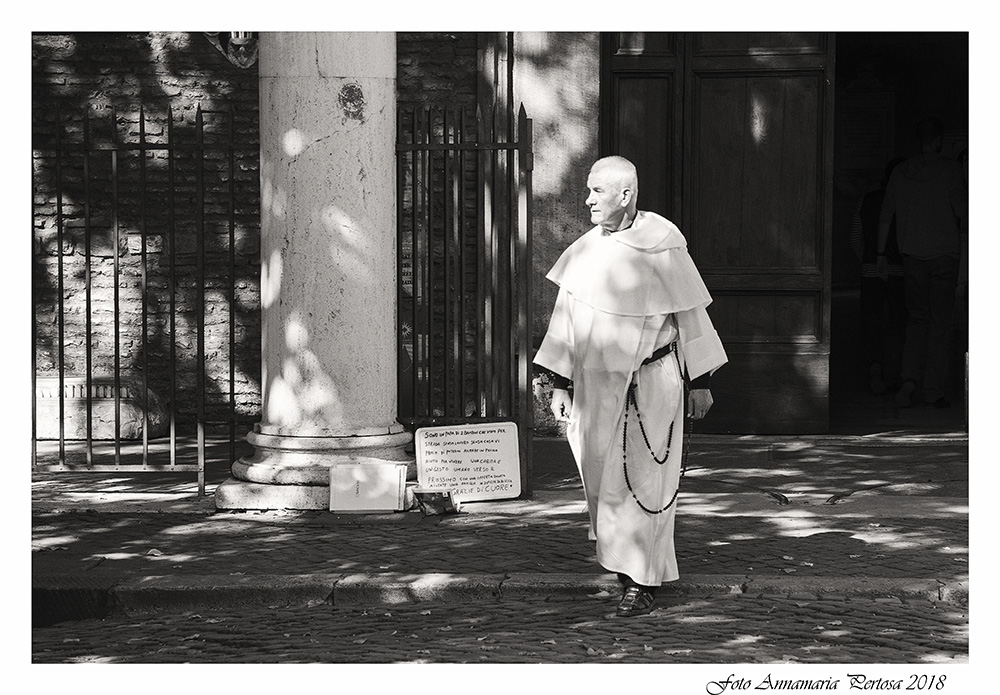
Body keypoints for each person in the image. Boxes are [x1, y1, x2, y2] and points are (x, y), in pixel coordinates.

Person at [533, 156, 727, 617]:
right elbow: (565, 322)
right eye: (588, 190)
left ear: (625, 194)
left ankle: (640, 579)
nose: (587, 200)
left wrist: (699, 381)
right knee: (603, 479)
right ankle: (624, 564)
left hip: (651, 384)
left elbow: (692, 317)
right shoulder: (584, 251)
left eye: (596, 191)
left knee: (645, 481)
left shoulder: (663, 243)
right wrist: (557, 382)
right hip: (595, 387)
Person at [877, 118, 967, 409]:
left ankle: (909, 381)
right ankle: (933, 391)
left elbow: (886, 216)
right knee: (940, 324)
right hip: (944, 256)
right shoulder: (951, 170)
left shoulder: (901, 172)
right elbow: (963, 211)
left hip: (912, 257)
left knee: (917, 321)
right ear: (939, 139)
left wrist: (879, 254)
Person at [849, 159, 905, 395]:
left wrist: (869, 262)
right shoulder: (907, 199)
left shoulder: (868, 199)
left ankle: (874, 368)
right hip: (901, 271)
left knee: (871, 322)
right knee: (897, 323)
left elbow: (855, 237)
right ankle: (893, 375)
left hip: (871, 270)